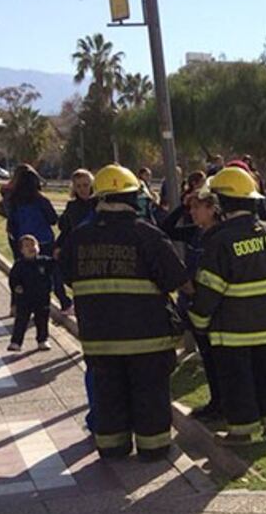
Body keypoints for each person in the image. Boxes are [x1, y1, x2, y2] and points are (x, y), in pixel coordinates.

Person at [60, 164, 189, 461]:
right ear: (133, 199)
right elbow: (176, 279)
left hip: (99, 338)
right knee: (149, 393)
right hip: (147, 337)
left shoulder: (79, 238)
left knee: (108, 394)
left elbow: (67, 275)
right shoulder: (147, 235)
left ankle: (112, 447)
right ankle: (153, 449)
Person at [189, 166, 266, 445]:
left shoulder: (219, 241)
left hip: (233, 331)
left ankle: (241, 431)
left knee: (238, 381)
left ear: (221, 203)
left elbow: (209, 290)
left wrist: (198, 322)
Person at [161, 183, 224, 422]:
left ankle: (224, 402)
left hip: (214, 303)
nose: (193, 213)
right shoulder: (195, 232)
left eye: (198, 208)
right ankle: (216, 401)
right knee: (207, 355)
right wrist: (182, 205)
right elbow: (166, 228)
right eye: (192, 208)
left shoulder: (220, 233)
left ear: (212, 208)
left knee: (218, 356)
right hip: (193, 300)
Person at [6, 164, 72, 312]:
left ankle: (15, 304)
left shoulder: (13, 201)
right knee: (54, 272)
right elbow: (52, 219)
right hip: (44, 241)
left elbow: (12, 224)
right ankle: (64, 301)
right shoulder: (40, 200)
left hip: (23, 242)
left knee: (20, 274)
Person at [7, 235, 53, 352]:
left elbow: (54, 271)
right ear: (22, 250)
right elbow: (13, 279)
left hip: (42, 297)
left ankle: (42, 340)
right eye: (27, 246)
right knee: (21, 320)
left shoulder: (45, 262)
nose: (31, 248)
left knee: (42, 319)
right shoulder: (19, 265)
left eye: (33, 245)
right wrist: (17, 287)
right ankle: (16, 342)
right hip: (24, 298)